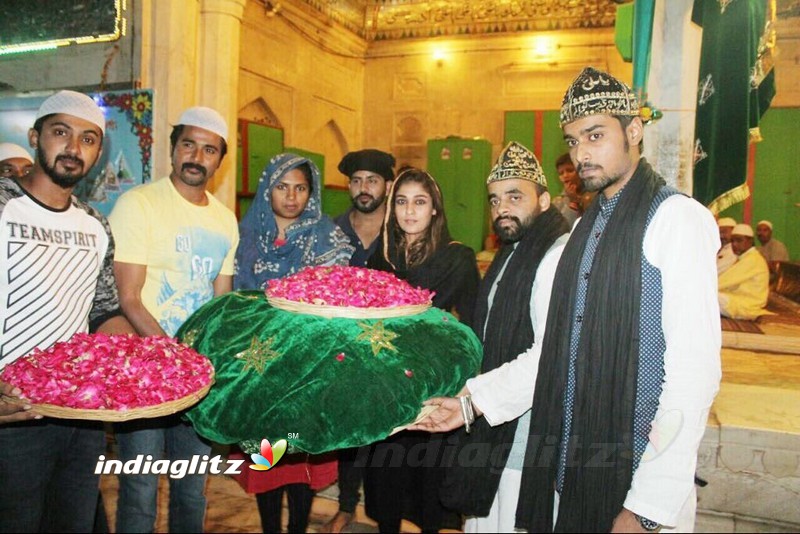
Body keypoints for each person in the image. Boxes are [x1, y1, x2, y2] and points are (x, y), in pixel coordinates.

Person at [415, 67, 722, 533]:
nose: (581, 153)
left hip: (638, 484)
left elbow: (693, 372)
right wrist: (469, 403)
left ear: (633, 130)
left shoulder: (676, 219)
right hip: (573, 471)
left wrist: (649, 506)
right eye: (574, 141)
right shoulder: (584, 229)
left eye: (595, 135)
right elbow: (553, 353)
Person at [0, 90, 135, 532]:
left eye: (89, 139)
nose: (74, 149)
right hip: (13, 415)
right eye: (62, 133)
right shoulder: (3, 205)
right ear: (36, 136)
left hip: (81, 416)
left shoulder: (96, 225)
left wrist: (139, 361)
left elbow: (104, 312)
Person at [109, 106, 238, 533]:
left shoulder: (224, 220)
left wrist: (208, 366)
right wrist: (174, 359)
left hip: (195, 382)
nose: (196, 157)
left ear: (220, 161)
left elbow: (219, 303)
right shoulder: (138, 204)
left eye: (208, 150)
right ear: (172, 149)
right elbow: (128, 298)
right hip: (144, 374)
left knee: (191, 489)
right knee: (141, 488)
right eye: (188, 144)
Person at [436, 141, 570, 532]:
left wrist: (472, 402)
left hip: (523, 437)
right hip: (497, 425)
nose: (502, 208)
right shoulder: (513, 250)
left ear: (544, 200)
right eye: (495, 200)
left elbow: (547, 358)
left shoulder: (555, 254)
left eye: (515, 196)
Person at [234, 152, 353, 534]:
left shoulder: (326, 236)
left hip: (307, 365)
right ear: (268, 189)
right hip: (260, 366)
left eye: (300, 188)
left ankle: (299, 528)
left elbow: (338, 298)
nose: (291, 196)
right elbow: (235, 300)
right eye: (282, 187)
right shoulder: (247, 235)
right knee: (266, 458)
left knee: (301, 456)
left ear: (311, 192)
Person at [363, 168, 480, 533]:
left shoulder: (456, 258)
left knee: (429, 481)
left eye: (420, 201)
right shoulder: (381, 260)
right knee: (386, 479)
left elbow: (474, 324)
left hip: (435, 386)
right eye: (401, 201)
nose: (409, 211)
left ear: (434, 210)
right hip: (388, 387)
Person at [324, 148, 395, 534]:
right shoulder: (332, 232)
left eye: (372, 180)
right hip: (344, 347)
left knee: (389, 434)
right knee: (348, 431)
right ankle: (347, 504)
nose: (364, 188)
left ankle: (387, 512)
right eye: (356, 180)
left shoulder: (401, 230)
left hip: (391, 349)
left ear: (387, 184)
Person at [719, 223, 771, 320]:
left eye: (739, 240)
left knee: (708, 296)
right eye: (732, 241)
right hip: (737, 299)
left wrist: (706, 288)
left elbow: (725, 280)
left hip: (747, 305)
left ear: (750, 241)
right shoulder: (744, 257)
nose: (734, 244)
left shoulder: (752, 259)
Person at [550, 152, 588, 227]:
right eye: (561, 173)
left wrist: (576, 202)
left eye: (570, 170)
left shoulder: (592, 196)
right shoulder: (558, 202)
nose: (565, 175)